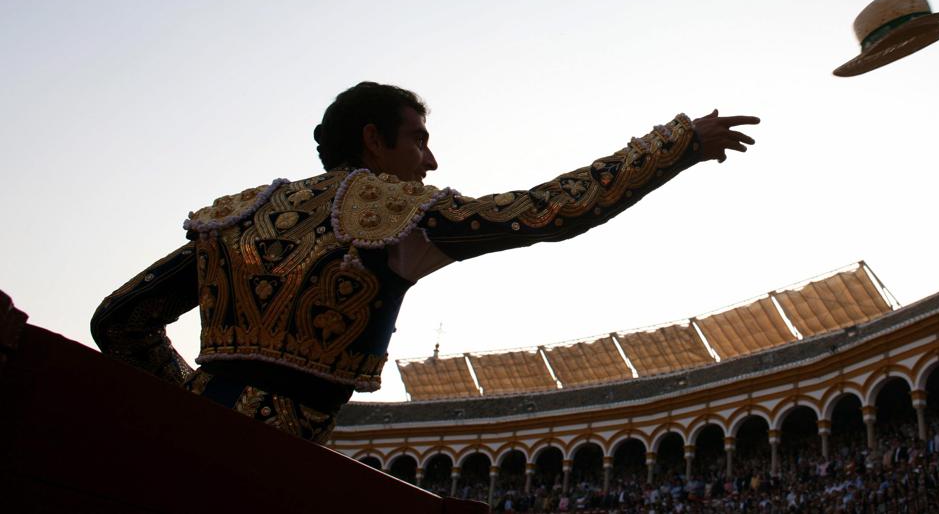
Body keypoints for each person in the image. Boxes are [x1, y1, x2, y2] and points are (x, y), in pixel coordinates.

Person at [91, 82, 760, 443]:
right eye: (418, 139)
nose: (431, 161)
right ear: (375, 140)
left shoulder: (239, 216)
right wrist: (677, 145)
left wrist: (191, 402)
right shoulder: (392, 214)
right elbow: (547, 211)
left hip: (176, 444)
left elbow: (120, 321)